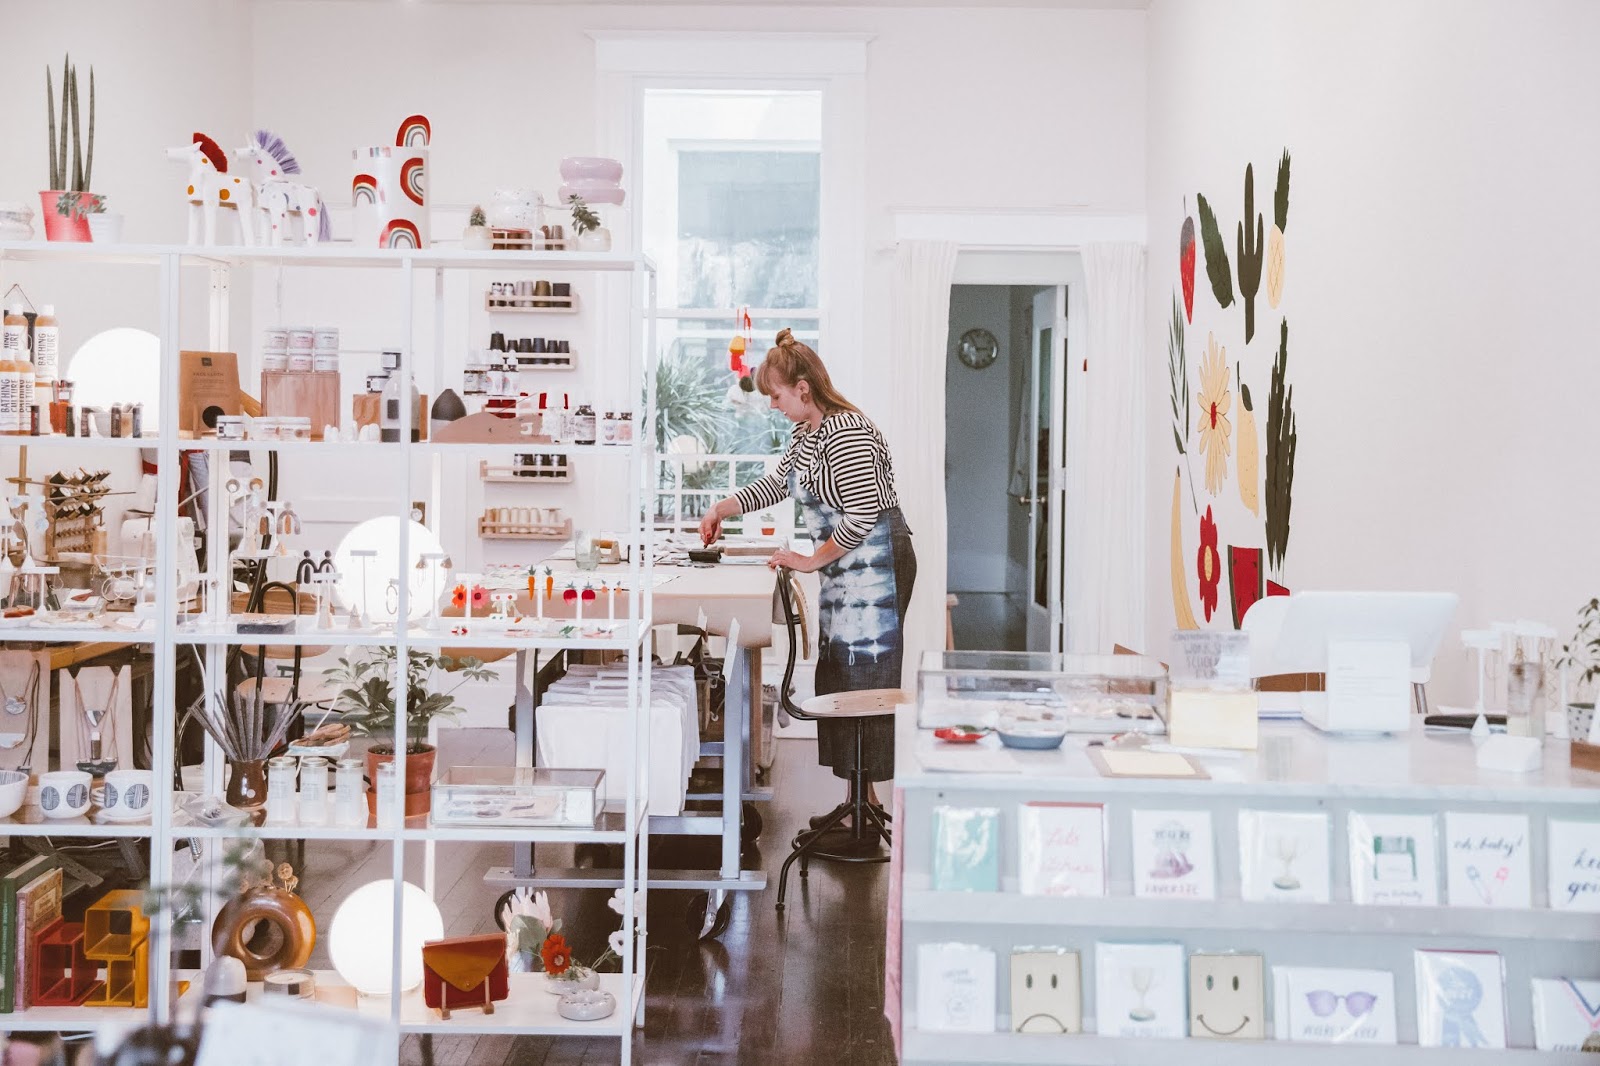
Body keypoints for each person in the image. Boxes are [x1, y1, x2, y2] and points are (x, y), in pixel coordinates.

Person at [699, 329, 915, 828]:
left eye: (775, 395)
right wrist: (722, 507)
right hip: (846, 564)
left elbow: (862, 515)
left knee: (868, 677)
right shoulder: (807, 435)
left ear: (802, 387)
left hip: (877, 564)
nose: (772, 405)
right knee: (843, 674)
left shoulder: (848, 432)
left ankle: (866, 814)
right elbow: (777, 484)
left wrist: (810, 560)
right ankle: (861, 806)